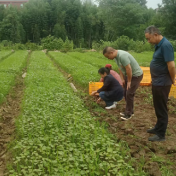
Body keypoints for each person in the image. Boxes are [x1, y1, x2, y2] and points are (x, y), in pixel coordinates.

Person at [145, 26, 176, 142]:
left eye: (149, 38)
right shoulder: (159, 45)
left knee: (161, 108)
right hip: (158, 81)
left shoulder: (166, 45)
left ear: (156, 34)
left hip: (163, 83)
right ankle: (158, 127)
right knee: (158, 106)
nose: (148, 41)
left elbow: (171, 65)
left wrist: (173, 79)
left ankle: (161, 134)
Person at [103, 47, 143, 120]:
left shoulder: (122, 56)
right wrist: (122, 79)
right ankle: (130, 111)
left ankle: (128, 114)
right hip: (128, 75)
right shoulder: (116, 57)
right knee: (125, 93)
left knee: (129, 93)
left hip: (135, 75)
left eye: (108, 56)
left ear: (111, 52)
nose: (108, 58)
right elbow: (120, 68)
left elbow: (128, 68)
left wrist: (129, 81)